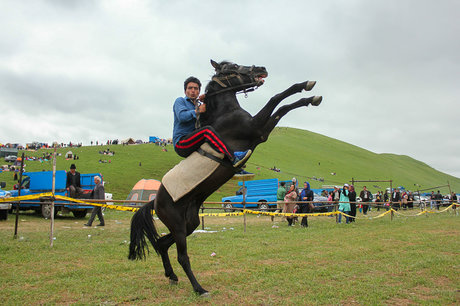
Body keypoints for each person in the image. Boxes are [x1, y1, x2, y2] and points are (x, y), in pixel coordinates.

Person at [172, 76, 252, 174]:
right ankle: (234, 158)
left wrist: (208, 100)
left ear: (198, 92)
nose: (193, 91)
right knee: (207, 131)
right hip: (182, 142)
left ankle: (235, 169)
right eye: (190, 88)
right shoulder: (180, 101)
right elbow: (182, 117)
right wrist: (198, 111)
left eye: (196, 88)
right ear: (185, 91)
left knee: (217, 135)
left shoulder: (199, 105)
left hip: (195, 141)